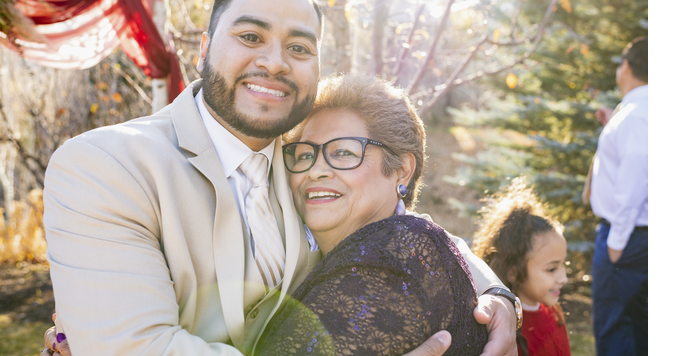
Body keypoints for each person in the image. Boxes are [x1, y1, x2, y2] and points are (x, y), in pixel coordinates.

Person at [40, 0, 518, 356]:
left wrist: (497, 297)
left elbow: (402, 230)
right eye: (251, 36)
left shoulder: (303, 166)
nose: (275, 62)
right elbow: (138, 347)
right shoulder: (106, 165)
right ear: (205, 50)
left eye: (298, 47)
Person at [254, 74, 489, 355]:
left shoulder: (394, 261)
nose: (315, 170)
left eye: (343, 152)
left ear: (401, 169)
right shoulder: (345, 249)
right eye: (304, 155)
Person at [588, 37, 648, 356]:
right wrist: (614, 124)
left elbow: (635, 179)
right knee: (640, 327)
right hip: (638, 236)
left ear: (626, 66)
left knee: (615, 327)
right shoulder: (639, 112)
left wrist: (615, 244)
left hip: (628, 239)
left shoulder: (636, 116)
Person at [471, 178, 570, 356]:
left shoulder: (552, 312)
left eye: (564, 264)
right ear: (513, 272)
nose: (564, 278)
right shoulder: (507, 330)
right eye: (552, 269)